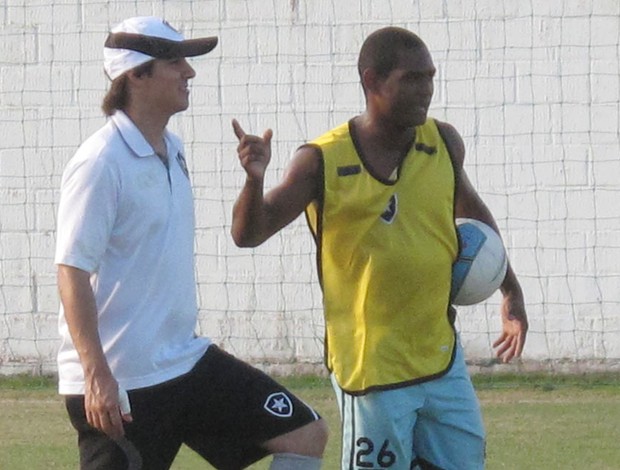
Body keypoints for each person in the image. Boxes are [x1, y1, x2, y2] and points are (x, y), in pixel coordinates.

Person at [231, 26, 528, 470]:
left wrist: (511, 291)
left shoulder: (443, 143)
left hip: (440, 360)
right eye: (412, 78)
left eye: (430, 76)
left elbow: (476, 219)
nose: (426, 89)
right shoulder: (321, 161)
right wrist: (254, 180)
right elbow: (248, 233)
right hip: (371, 372)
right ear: (371, 81)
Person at [55, 16, 327, 470]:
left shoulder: (173, 148)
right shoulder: (99, 162)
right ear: (137, 74)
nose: (190, 73)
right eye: (175, 61)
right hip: (125, 383)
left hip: (184, 363)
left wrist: (253, 182)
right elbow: (71, 271)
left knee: (303, 433)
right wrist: (97, 374)